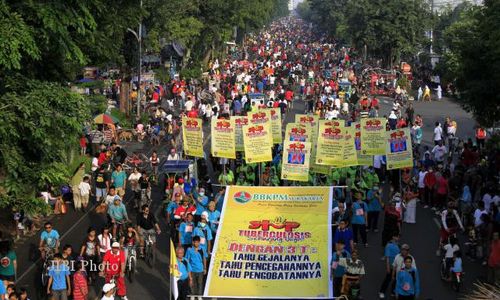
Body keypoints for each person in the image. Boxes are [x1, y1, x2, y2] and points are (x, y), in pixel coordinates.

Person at [379, 234, 400, 299]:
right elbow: (387, 257)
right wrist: (388, 267)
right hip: (391, 266)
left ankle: (393, 291)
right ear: (393, 236)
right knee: (388, 279)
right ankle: (382, 291)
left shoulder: (398, 245)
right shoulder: (389, 245)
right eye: (397, 236)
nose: (398, 238)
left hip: (398, 266)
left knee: (396, 279)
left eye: (399, 236)